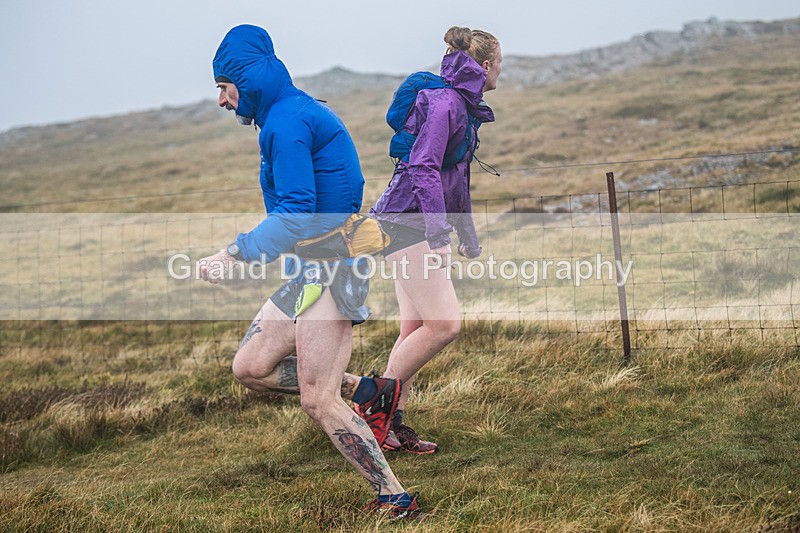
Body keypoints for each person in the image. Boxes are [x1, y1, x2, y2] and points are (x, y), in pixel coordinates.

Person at [197, 24, 420, 518]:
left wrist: (232, 254)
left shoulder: (287, 122)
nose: (220, 100)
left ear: (248, 80)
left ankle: (395, 499)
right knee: (251, 367)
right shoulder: (289, 114)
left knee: (317, 398)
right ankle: (370, 390)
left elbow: (295, 212)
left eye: (223, 87)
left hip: (332, 271)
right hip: (310, 271)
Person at [364, 27, 502, 454]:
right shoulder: (445, 102)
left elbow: (455, 179)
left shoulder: (461, 105)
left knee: (415, 327)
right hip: (407, 221)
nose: (503, 70)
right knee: (444, 326)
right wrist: (439, 232)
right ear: (483, 65)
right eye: (500, 62)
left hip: (408, 220)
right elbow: (423, 167)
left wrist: (468, 236)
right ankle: (371, 413)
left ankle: (387, 424)